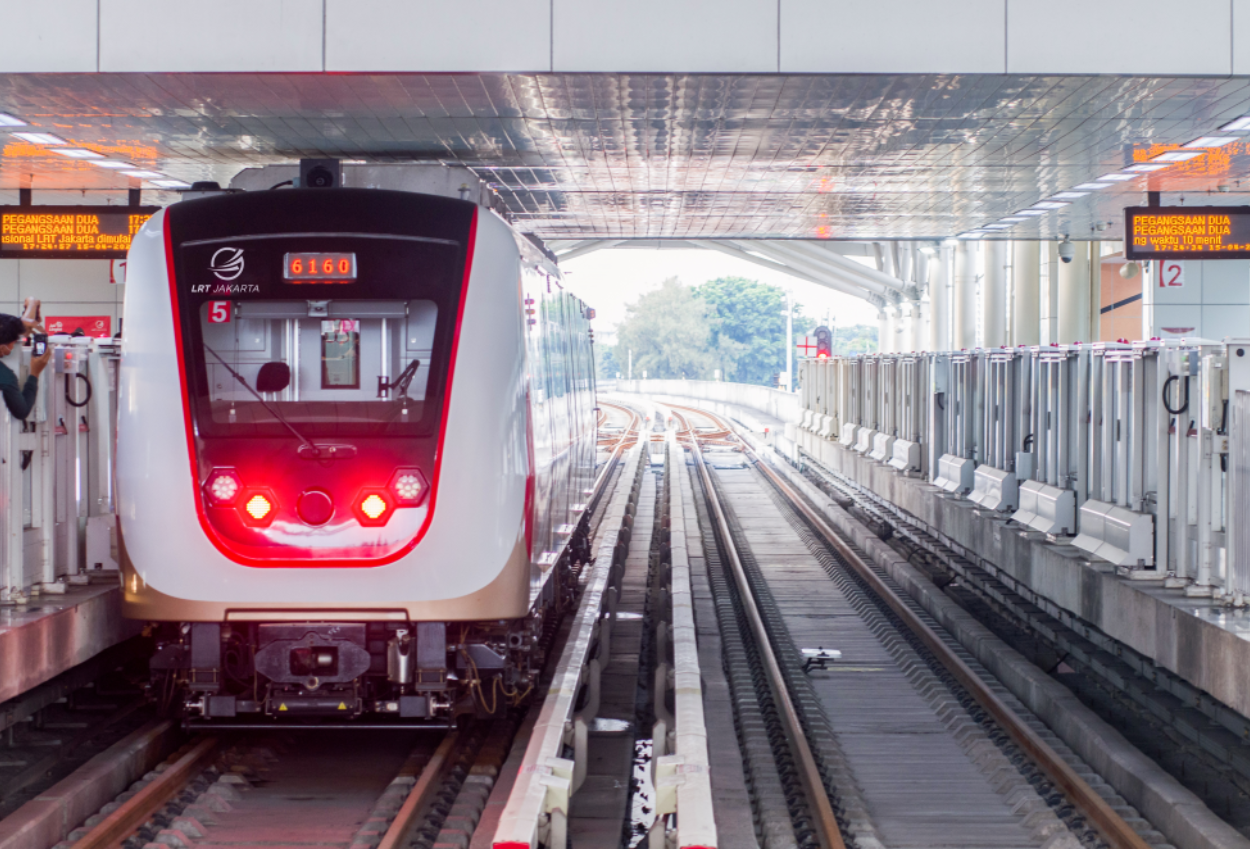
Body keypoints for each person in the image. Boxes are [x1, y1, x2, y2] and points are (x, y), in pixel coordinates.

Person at [0, 305, 52, 421]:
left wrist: (31, 305)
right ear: (2, 346)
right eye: (14, 343)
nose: (14, 347)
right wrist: (35, 373)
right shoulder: (5, 377)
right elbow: (22, 412)